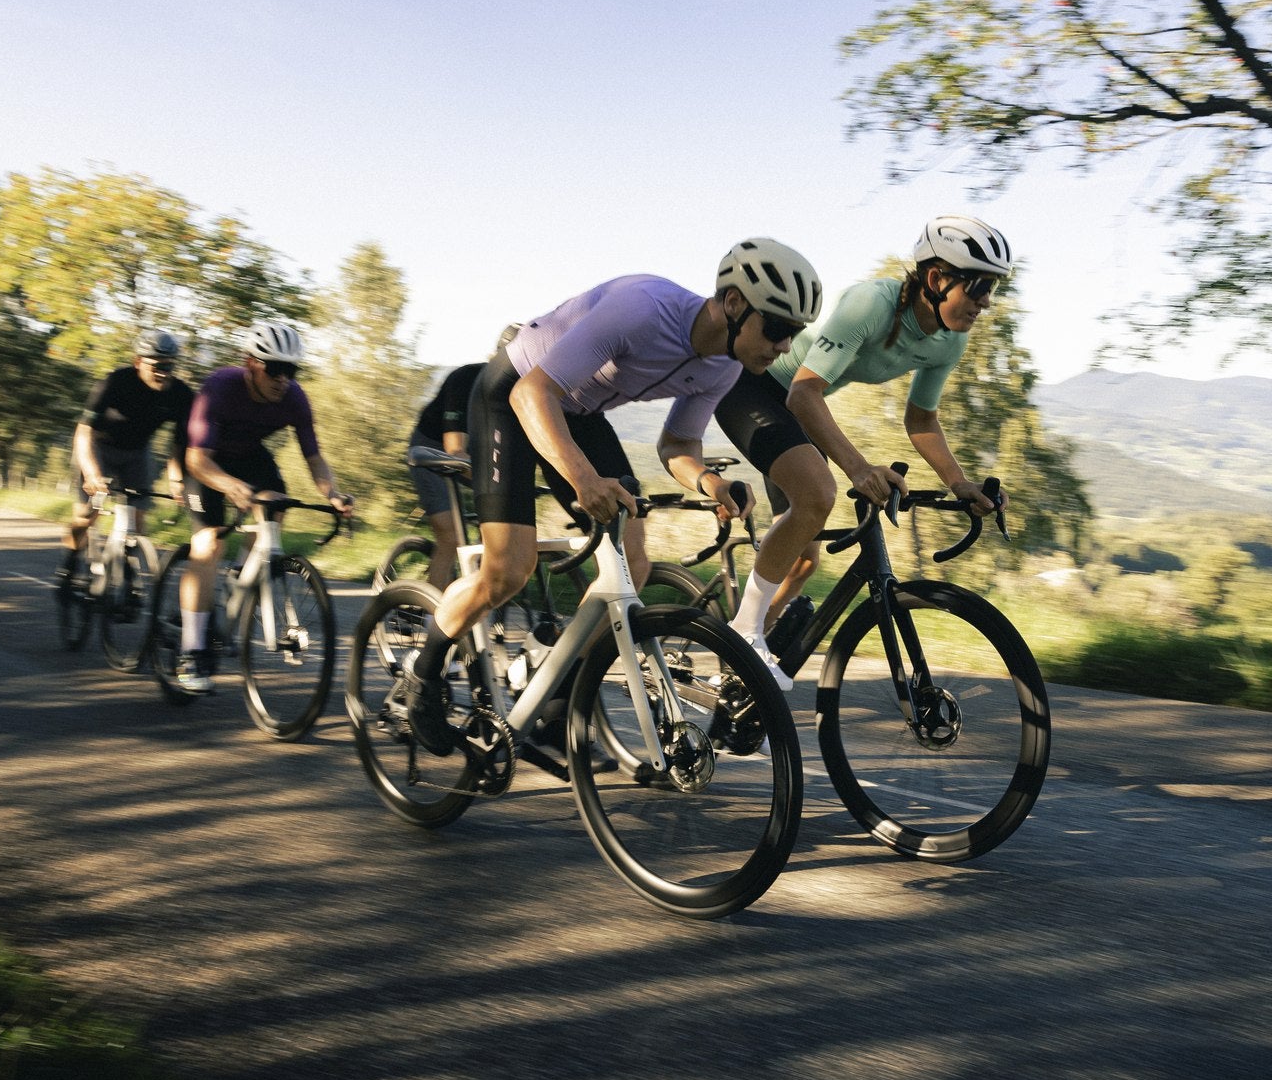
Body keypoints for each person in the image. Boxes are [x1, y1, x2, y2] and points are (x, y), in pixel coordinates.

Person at [404, 238, 823, 756]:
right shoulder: (643, 308)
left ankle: (553, 695)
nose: (784, 346)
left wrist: (710, 483)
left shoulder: (724, 365)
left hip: (579, 413)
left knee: (634, 561)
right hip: (511, 397)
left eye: (794, 334)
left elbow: (677, 445)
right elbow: (531, 395)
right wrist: (584, 480)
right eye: (778, 328)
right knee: (508, 570)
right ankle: (422, 680)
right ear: (734, 303)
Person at [713, 214, 1012, 687]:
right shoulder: (871, 304)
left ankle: (742, 674)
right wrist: (858, 468)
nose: (985, 303)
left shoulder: (949, 342)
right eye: (978, 288)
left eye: (992, 290)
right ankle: (743, 633)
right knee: (818, 494)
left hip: (796, 406)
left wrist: (959, 484)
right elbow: (803, 393)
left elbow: (922, 420)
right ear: (937, 279)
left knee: (807, 559)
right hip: (751, 386)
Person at [176, 321, 354, 694]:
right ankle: (192, 650)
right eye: (275, 369)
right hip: (203, 459)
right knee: (208, 544)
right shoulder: (220, 388)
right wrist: (227, 485)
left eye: (291, 370)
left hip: (248, 455)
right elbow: (197, 461)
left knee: (277, 504)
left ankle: (239, 577)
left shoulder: (294, 398)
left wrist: (333, 494)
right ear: (250, 363)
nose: (283, 379)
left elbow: (314, 457)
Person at [57, 329, 193, 586]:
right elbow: (83, 432)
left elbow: (180, 443)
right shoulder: (115, 382)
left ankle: (127, 573)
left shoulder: (180, 394)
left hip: (137, 452)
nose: (163, 372)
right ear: (138, 362)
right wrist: (92, 473)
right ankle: (71, 558)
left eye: (169, 366)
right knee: (88, 514)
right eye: (157, 366)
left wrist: (177, 481)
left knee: (138, 521)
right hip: (99, 447)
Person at [405, 362, 484, 589]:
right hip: (431, 450)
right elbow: (455, 451)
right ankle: (434, 619)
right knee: (451, 536)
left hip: (472, 451)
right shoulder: (466, 378)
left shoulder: (524, 389)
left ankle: (470, 584)